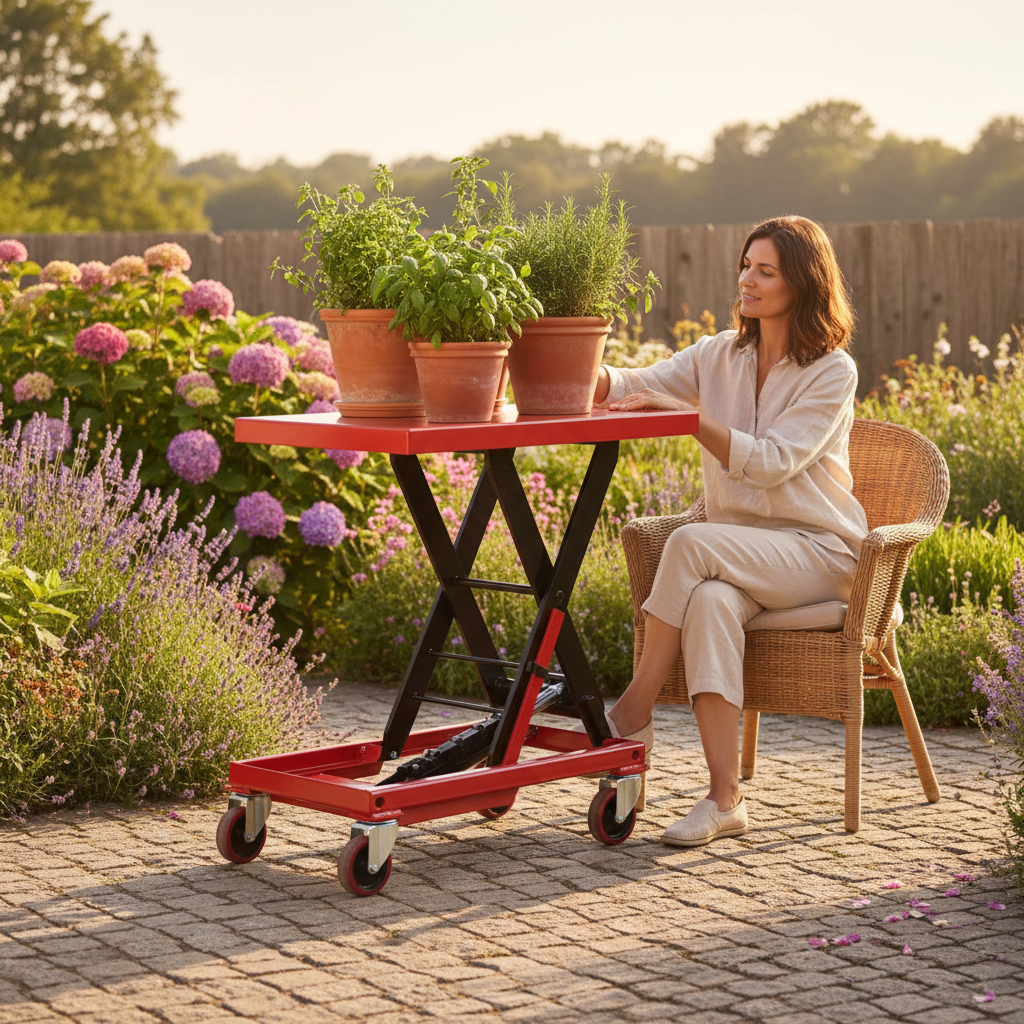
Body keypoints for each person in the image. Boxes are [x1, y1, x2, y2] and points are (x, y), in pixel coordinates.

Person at [591, 215, 869, 847]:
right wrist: (564, 366)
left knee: (691, 542)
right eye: (746, 266)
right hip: (735, 558)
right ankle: (725, 799)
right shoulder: (720, 354)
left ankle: (633, 707)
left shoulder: (832, 371)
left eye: (765, 271)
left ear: (803, 284)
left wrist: (691, 420)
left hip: (820, 554)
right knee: (711, 602)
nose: (747, 280)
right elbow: (634, 384)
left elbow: (771, 462)